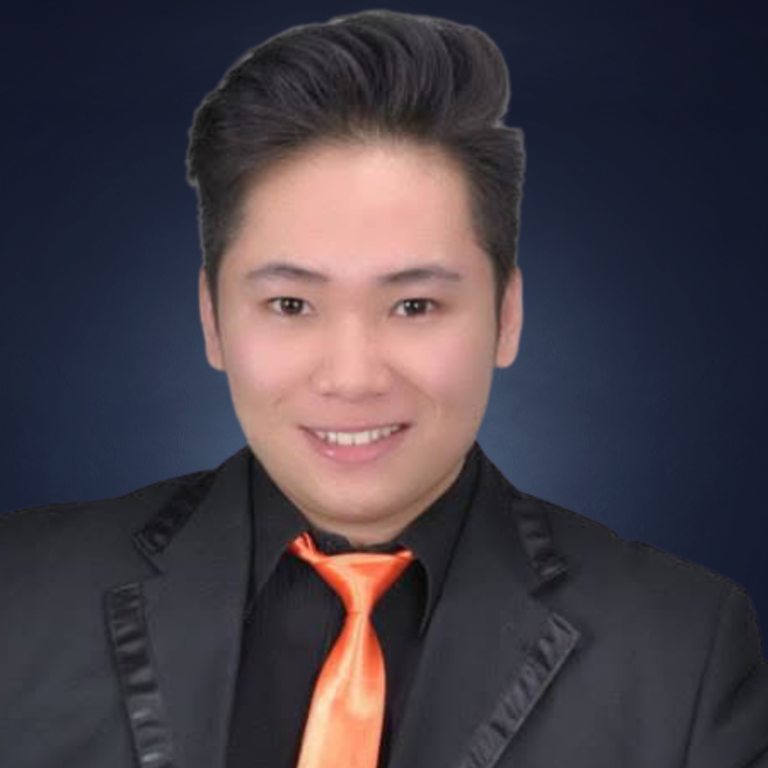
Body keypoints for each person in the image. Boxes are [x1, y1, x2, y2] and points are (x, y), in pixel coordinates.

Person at [1, 9, 766, 768]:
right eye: (291, 305)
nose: (352, 377)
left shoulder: (683, 649)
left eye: (414, 306)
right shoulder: (19, 594)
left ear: (506, 316)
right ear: (212, 319)